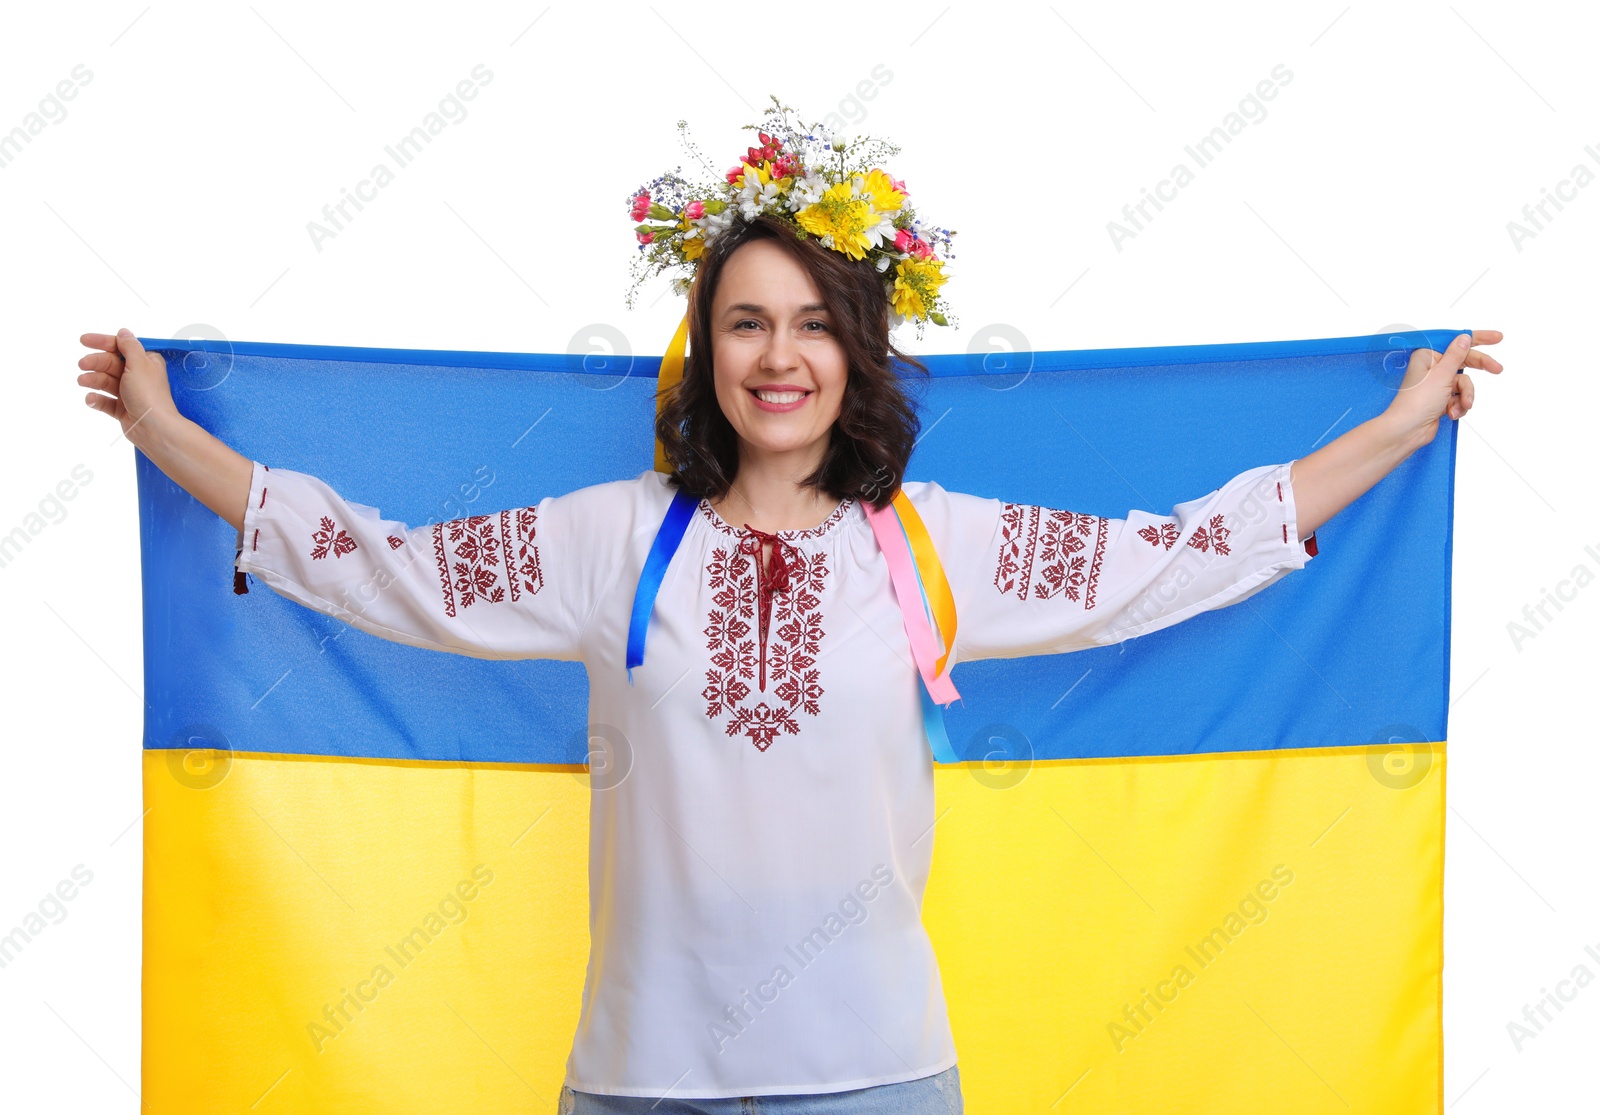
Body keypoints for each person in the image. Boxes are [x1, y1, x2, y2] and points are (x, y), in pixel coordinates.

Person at [76, 187, 1501, 1115]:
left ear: (857, 353)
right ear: (704, 348)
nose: (779, 355)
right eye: (746, 320)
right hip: (643, 1077)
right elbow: (379, 565)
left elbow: (1170, 556)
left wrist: (1396, 428)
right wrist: (165, 433)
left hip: (878, 1073)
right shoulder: (607, 538)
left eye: (815, 325)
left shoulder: (937, 548)